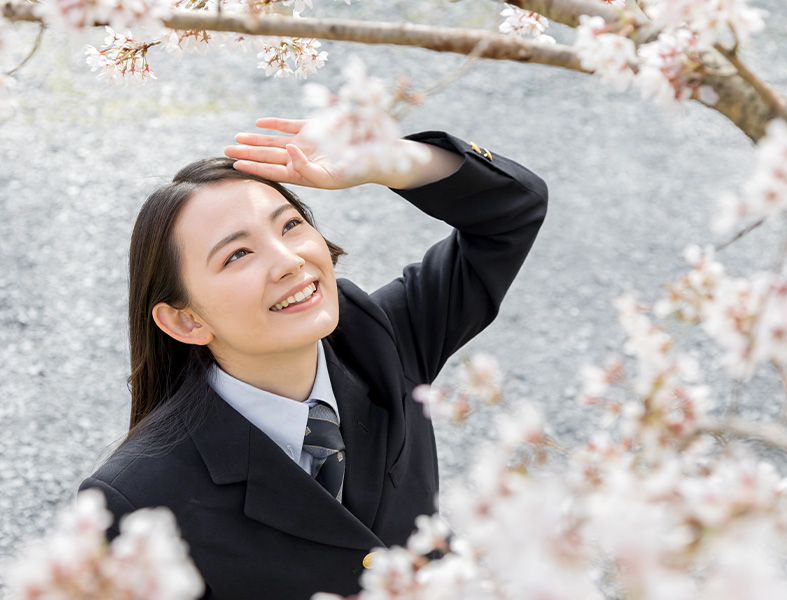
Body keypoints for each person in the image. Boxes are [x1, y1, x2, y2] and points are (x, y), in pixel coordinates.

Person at [80, 117, 548, 599]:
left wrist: (390, 160)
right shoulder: (137, 498)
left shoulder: (379, 337)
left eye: (290, 225)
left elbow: (512, 212)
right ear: (186, 321)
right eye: (237, 255)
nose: (288, 259)